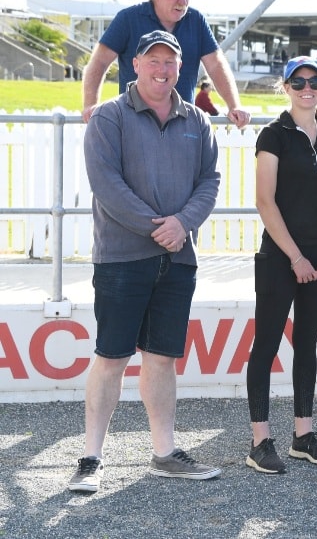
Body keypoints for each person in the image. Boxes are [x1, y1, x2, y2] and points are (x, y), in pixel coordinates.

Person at [70, 30, 222, 493]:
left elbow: (209, 182)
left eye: (170, 62)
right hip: (122, 258)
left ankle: (163, 453)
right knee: (111, 356)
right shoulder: (109, 118)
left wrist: (182, 224)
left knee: (161, 359)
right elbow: (107, 185)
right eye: (153, 61)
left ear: (180, 68)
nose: (162, 70)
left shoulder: (198, 121)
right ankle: (91, 458)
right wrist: (161, 227)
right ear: (135, 64)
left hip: (177, 260)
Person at [246, 57, 317, 474]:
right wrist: (296, 257)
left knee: (307, 344)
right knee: (266, 345)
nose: (308, 87)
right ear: (285, 87)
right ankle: (260, 442)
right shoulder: (274, 135)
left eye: (315, 80)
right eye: (299, 81)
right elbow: (264, 201)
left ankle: (303, 436)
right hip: (280, 257)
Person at [81, 0, 251, 129]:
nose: (183, 2)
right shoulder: (128, 19)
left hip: (182, 126)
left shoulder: (196, 21)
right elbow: (99, 62)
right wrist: (90, 105)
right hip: (134, 124)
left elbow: (215, 65)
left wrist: (234, 105)